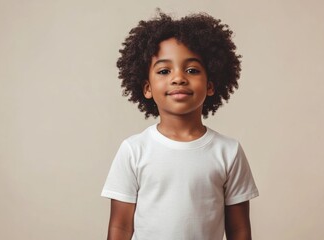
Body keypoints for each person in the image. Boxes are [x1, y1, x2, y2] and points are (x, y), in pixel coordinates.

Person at [101, 11, 259, 240]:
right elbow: (120, 227)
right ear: (147, 88)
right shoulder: (133, 150)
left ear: (211, 85)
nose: (178, 78)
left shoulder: (229, 151)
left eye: (192, 70)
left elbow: (239, 229)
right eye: (164, 71)